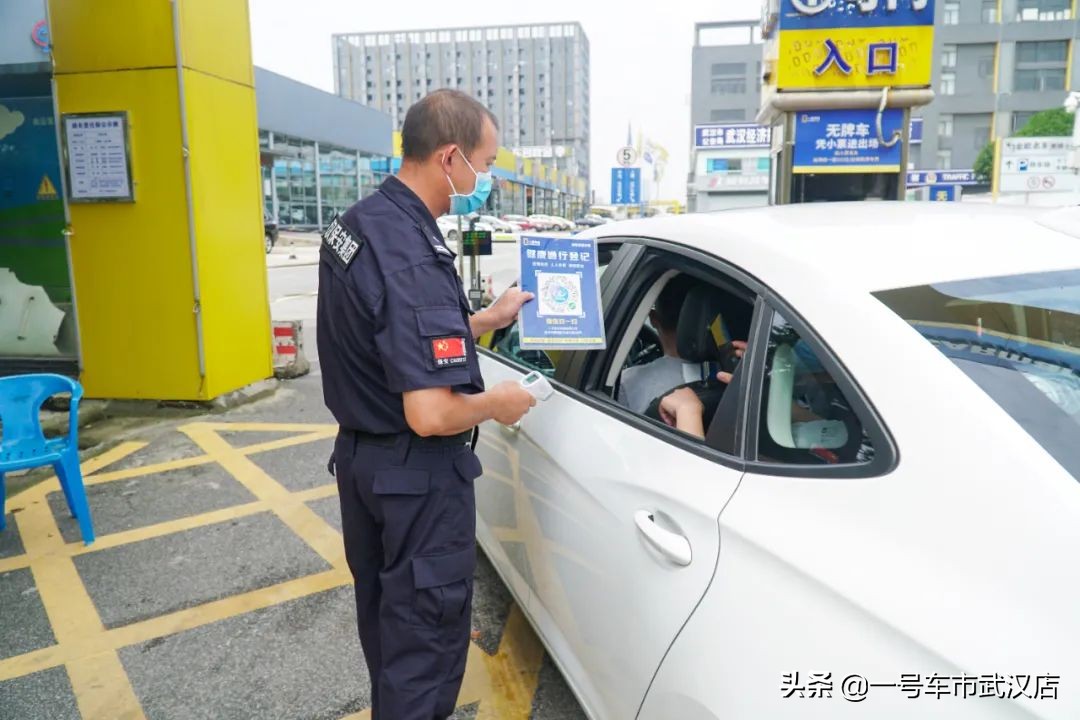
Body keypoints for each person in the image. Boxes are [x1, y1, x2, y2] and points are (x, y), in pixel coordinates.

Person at [317, 89, 537, 720]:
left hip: (364, 469)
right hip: (415, 480)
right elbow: (432, 413)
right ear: (449, 158)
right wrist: (497, 402)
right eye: (485, 163)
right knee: (424, 655)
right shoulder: (415, 254)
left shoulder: (360, 223)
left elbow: (386, 329)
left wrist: (481, 320)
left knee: (390, 642)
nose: (486, 179)